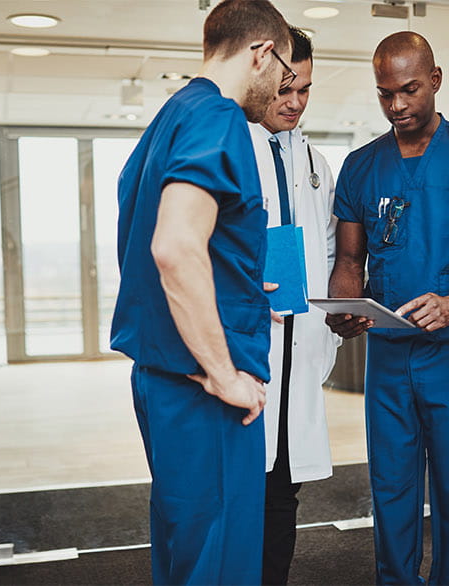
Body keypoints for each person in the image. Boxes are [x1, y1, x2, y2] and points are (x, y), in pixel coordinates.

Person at [109, 0, 293, 583]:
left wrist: (238, 280)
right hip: (204, 393)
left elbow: (171, 241)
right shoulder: (219, 118)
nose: (284, 90)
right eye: (286, 73)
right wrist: (223, 373)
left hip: (163, 382)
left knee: (186, 554)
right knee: (219, 565)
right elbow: (174, 247)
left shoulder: (171, 117)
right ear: (262, 54)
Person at [324, 31, 449, 585]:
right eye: (385, 94)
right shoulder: (360, 166)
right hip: (388, 355)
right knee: (392, 484)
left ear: (435, 81)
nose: (398, 105)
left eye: (409, 90)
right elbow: (350, 256)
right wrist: (343, 305)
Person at [246, 26, 341, 586]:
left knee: (284, 494)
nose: (295, 102)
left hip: (297, 351)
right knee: (241, 494)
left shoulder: (315, 162)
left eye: (304, 89)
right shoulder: (232, 147)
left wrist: (336, 317)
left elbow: (326, 247)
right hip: (249, 352)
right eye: (284, 88)